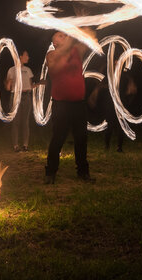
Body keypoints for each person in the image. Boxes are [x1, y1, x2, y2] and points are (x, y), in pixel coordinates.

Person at [44, 31, 96, 184]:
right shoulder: (51, 55)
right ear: (54, 42)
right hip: (61, 105)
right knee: (58, 139)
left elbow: (89, 36)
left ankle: (83, 172)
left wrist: (84, 18)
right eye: (60, 35)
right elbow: (55, 69)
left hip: (78, 104)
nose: (65, 35)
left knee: (81, 139)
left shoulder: (76, 51)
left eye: (65, 34)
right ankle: (50, 173)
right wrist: (72, 29)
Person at [4, 49, 42, 152]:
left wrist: (39, 84)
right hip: (16, 97)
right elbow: (8, 87)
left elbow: (30, 85)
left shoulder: (28, 70)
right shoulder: (12, 70)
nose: (28, 57)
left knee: (25, 122)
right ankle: (16, 146)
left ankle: (25, 145)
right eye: (26, 55)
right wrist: (8, 83)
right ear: (20, 56)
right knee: (16, 122)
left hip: (26, 96)